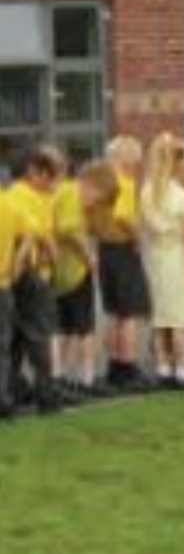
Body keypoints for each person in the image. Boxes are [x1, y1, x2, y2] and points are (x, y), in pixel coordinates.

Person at [141, 134, 184, 388]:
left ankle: (163, 369)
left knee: (160, 319)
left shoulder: (147, 192)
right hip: (177, 259)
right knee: (180, 321)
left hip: (155, 258)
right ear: (177, 163)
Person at [52, 159, 118, 396]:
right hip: (74, 272)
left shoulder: (65, 192)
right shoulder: (71, 193)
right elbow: (68, 229)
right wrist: (89, 255)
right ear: (90, 184)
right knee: (84, 329)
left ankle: (60, 378)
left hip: (61, 273)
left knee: (65, 329)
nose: (95, 203)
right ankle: (86, 379)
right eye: (97, 197)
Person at [7, 148, 61, 413]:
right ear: (33, 172)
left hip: (12, 278)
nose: (52, 183)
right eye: (49, 176)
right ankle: (46, 396)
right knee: (39, 336)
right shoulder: (32, 198)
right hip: (34, 274)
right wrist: (53, 258)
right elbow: (40, 234)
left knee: (14, 337)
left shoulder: (9, 195)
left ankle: (12, 392)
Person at [95, 135, 150, 390]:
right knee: (129, 313)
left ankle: (113, 365)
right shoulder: (124, 184)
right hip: (123, 250)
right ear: (129, 159)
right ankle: (128, 366)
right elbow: (123, 216)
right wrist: (138, 238)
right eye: (137, 159)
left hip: (104, 249)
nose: (138, 164)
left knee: (114, 312)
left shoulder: (101, 184)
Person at [0, 184, 36, 419]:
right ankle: (3, 400)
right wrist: (19, 260)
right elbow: (30, 235)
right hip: (2, 286)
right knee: (2, 347)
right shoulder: (9, 204)